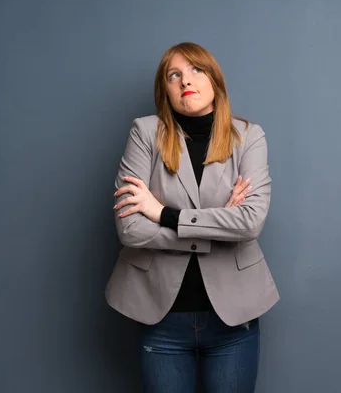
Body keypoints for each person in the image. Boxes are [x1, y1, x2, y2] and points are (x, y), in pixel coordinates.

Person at [105, 42, 280, 392]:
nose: (186, 80)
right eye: (175, 75)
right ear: (165, 90)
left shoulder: (248, 136)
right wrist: (218, 228)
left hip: (234, 319)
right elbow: (130, 228)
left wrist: (163, 213)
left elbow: (250, 222)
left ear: (214, 79)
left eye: (196, 70)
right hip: (160, 315)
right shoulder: (144, 133)